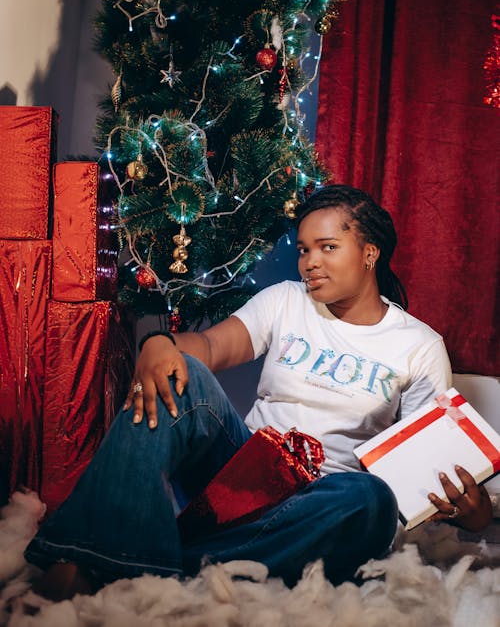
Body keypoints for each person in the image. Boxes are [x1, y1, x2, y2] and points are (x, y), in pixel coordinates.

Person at [25, 185, 492, 600]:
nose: (310, 262)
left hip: (323, 500)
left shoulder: (418, 346)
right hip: (242, 471)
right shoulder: (287, 300)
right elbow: (210, 346)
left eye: (328, 247)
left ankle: (157, 558)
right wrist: (159, 343)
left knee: (370, 498)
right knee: (179, 371)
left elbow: (423, 465)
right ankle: (99, 553)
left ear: (369, 253)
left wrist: (472, 513)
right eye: (305, 249)